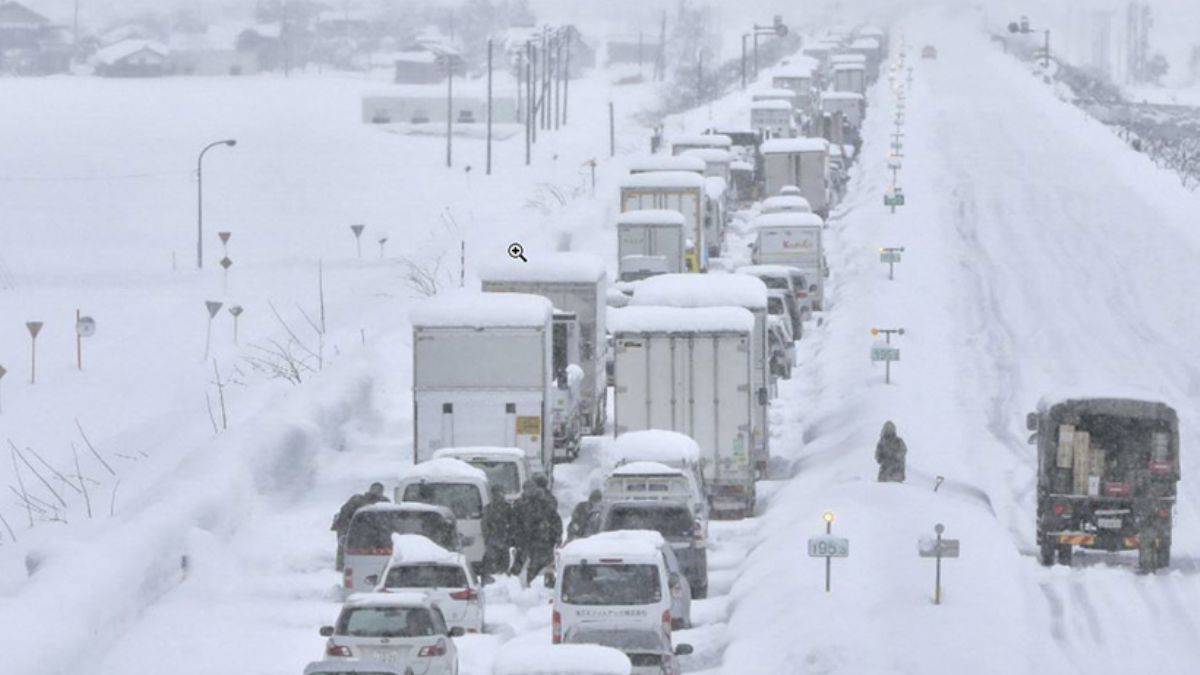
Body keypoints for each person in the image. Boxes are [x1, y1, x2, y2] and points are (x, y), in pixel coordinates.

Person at [510, 481, 563, 584]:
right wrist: (516, 538)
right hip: (528, 541)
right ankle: (524, 585)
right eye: (528, 489)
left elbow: (555, 520)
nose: (530, 491)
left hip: (542, 540)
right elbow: (514, 523)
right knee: (527, 566)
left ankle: (544, 585)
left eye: (532, 489)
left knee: (543, 565)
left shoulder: (543, 503)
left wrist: (557, 535)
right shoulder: (520, 505)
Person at [331, 482, 389, 570]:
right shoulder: (358, 500)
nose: (376, 493)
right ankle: (342, 565)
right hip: (350, 526)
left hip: (362, 529)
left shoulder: (383, 502)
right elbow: (344, 513)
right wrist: (347, 527)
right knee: (345, 545)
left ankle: (344, 565)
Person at [481, 485, 514, 579]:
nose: (499, 496)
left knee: (504, 565)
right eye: (496, 494)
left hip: (503, 540)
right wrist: (488, 539)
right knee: (491, 565)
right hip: (494, 541)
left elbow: (513, 524)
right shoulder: (488, 509)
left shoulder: (508, 508)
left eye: (500, 493)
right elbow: (484, 525)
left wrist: (509, 538)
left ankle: (501, 580)